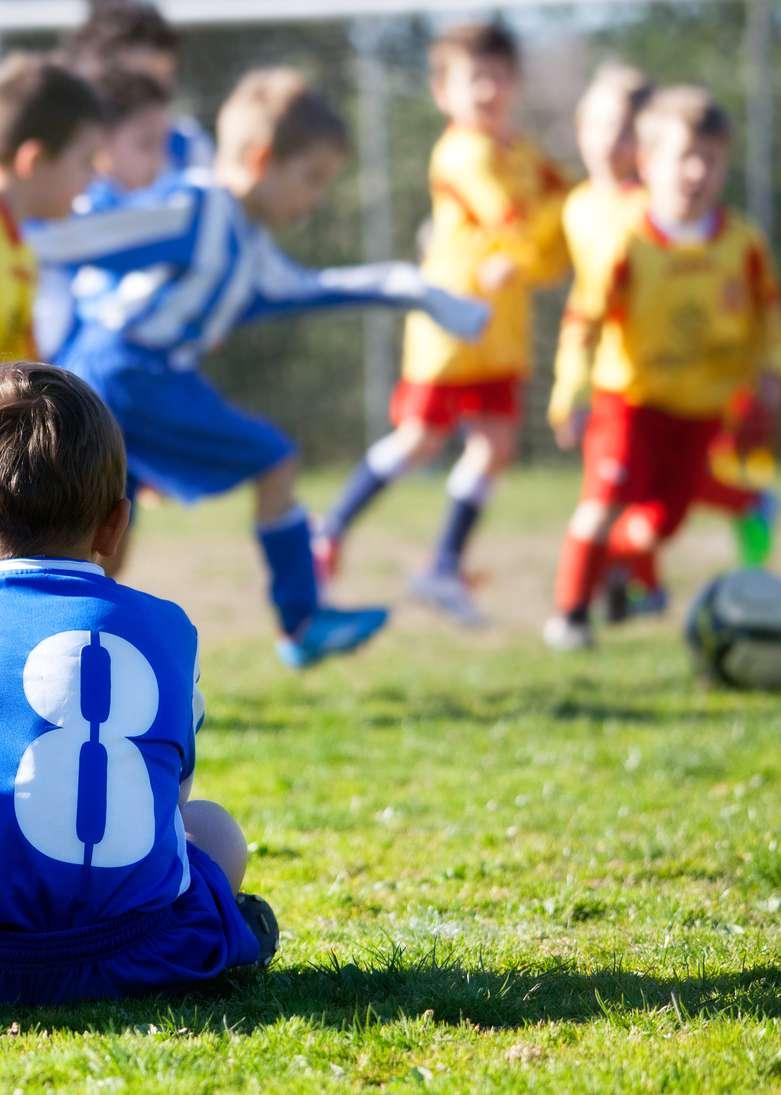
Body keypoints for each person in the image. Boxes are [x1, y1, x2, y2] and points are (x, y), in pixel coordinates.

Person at [26, 67, 488, 668]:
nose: (314, 200)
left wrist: (419, 291)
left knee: (102, 531)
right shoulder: (198, 207)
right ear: (263, 157)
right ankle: (302, 620)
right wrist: (21, 232)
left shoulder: (250, 250)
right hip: (124, 371)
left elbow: (321, 289)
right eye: (311, 179)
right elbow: (85, 237)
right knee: (276, 459)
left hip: (128, 379)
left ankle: (56, 647)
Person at [0, 361, 277, 1005]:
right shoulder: (168, 629)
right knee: (215, 830)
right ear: (115, 525)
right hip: (133, 949)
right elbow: (170, 805)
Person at [317, 22, 570, 626]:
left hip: (499, 334)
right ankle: (329, 530)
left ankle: (442, 566)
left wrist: (545, 248)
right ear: (443, 92)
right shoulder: (462, 151)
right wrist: (542, 251)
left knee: (497, 447)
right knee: (421, 441)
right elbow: (517, 223)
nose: (489, 89)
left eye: (500, 76)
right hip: (451, 332)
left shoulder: (526, 154)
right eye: (474, 77)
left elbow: (571, 209)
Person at [544, 85, 781, 651]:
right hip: (628, 401)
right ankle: (570, 615)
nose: (697, 171)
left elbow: (767, 314)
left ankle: (619, 578)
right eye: (684, 157)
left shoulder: (742, 243)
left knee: (657, 525)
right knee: (602, 504)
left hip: (699, 410)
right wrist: (569, 393)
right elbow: (585, 319)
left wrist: (769, 373)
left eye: (711, 159)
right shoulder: (627, 243)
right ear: (648, 164)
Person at [35, 68, 171, 364]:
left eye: (164, 145)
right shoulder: (74, 218)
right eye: (146, 144)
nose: (160, 162)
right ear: (102, 143)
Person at [0, 53, 103, 362]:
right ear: (34, 160)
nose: (95, 179)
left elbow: (21, 375)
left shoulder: (20, 252)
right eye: (86, 162)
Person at [62, 0, 213, 176]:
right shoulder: (64, 155)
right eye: (132, 89)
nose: (149, 104)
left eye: (160, 92)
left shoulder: (190, 148)